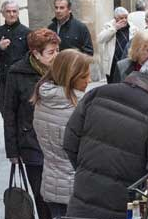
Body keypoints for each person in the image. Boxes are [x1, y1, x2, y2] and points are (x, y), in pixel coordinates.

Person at [64, 56, 148, 219]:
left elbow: (70, 142)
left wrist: (88, 172)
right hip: (124, 208)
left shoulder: (97, 94)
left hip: (81, 206)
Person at [4, 28, 61, 219]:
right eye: (51, 52)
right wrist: (13, 151)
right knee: (41, 195)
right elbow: (9, 112)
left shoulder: (61, 69)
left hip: (59, 143)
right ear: (36, 53)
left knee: (61, 196)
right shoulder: (17, 72)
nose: (56, 56)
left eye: (57, 50)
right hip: (32, 144)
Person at [31, 49, 92, 219]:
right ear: (69, 77)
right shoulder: (80, 106)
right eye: (84, 76)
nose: (89, 80)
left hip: (52, 183)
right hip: (78, 188)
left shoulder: (42, 99)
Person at [0, 0, 30, 114]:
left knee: (22, 115)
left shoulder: (27, 32)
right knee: (6, 114)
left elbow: (31, 58)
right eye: (8, 11)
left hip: (21, 81)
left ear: (18, 13)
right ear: (3, 13)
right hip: (3, 82)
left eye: (14, 11)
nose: (11, 14)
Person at [98, 7, 129, 83]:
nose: (124, 20)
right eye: (121, 18)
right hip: (112, 62)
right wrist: (115, 28)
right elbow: (100, 39)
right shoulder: (108, 26)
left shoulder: (132, 27)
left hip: (127, 61)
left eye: (126, 17)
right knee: (112, 84)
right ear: (115, 18)